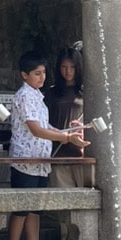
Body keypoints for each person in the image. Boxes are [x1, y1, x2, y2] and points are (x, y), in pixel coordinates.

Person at [8, 51, 89, 240]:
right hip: (26, 159)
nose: (42, 77)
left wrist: (70, 136)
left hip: (41, 161)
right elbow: (35, 129)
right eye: (37, 73)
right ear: (24, 75)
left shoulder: (38, 96)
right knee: (21, 208)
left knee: (35, 209)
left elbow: (46, 127)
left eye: (43, 73)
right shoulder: (24, 95)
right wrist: (65, 136)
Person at [45, 46, 94, 190]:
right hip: (58, 154)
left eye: (72, 67)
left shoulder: (88, 92)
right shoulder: (51, 93)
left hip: (83, 154)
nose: (68, 71)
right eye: (64, 67)